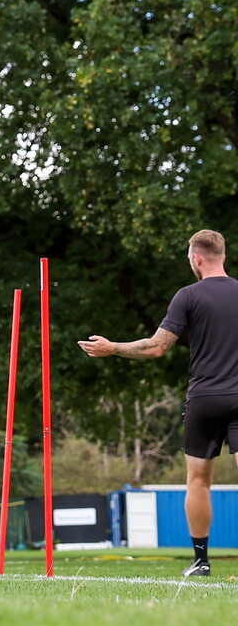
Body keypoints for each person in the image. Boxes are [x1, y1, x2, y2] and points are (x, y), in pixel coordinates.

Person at [78, 229, 238, 578]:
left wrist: (112, 347)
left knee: (198, 480)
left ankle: (201, 561)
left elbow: (156, 347)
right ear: (222, 255)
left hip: (205, 398)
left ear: (196, 258)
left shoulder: (188, 296)